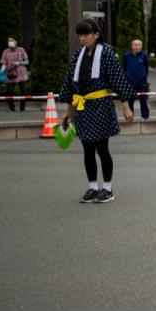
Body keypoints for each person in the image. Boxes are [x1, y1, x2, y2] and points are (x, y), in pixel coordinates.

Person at [58, 19, 136, 203]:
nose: (82, 38)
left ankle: (107, 188)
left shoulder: (107, 54)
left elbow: (118, 79)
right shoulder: (77, 55)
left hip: (101, 104)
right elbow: (70, 84)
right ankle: (92, 186)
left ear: (96, 34)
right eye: (80, 35)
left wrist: (126, 106)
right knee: (87, 150)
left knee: (102, 149)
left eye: (86, 34)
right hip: (82, 107)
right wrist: (69, 111)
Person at [123, 38, 151, 121]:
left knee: (143, 100)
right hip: (130, 82)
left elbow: (146, 68)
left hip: (141, 82)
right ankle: (130, 117)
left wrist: (144, 77)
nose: (137, 47)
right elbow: (124, 68)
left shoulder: (144, 56)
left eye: (139, 45)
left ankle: (145, 116)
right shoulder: (126, 55)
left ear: (141, 46)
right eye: (135, 45)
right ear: (132, 46)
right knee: (130, 100)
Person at [0, 37, 29, 111]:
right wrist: (2, 69)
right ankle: (12, 108)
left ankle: (22, 108)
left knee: (24, 91)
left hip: (22, 73)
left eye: (12, 42)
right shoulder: (5, 52)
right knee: (10, 92)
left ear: (15, 43)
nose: (10, 44)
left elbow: (27, 62)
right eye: (9, 43)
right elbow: (3, 63)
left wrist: (19, 63)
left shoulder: (21, 50)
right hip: (10, 74)